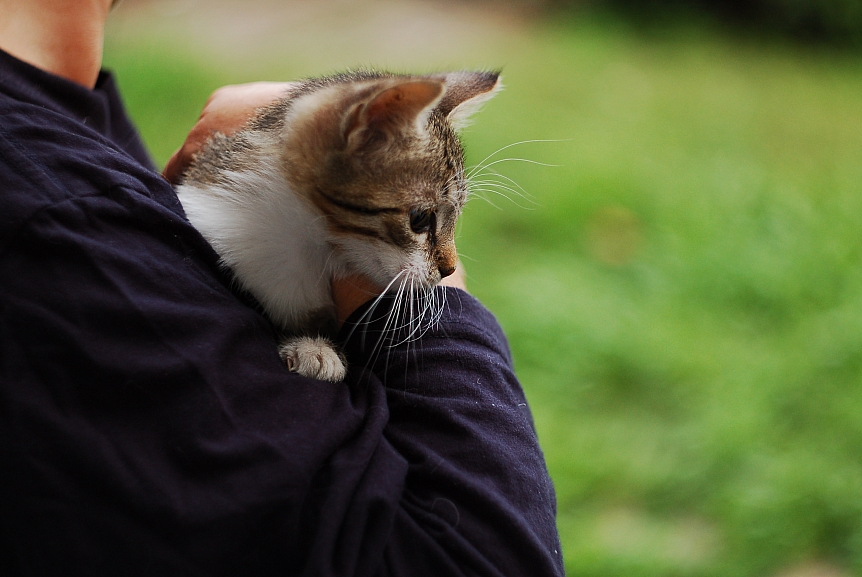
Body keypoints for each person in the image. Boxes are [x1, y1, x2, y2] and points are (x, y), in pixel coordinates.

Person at [0, 1, 565, 575]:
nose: (446, 263)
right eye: (425, 224)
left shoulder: (65, 106)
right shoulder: (53, 218)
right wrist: (434, 312)